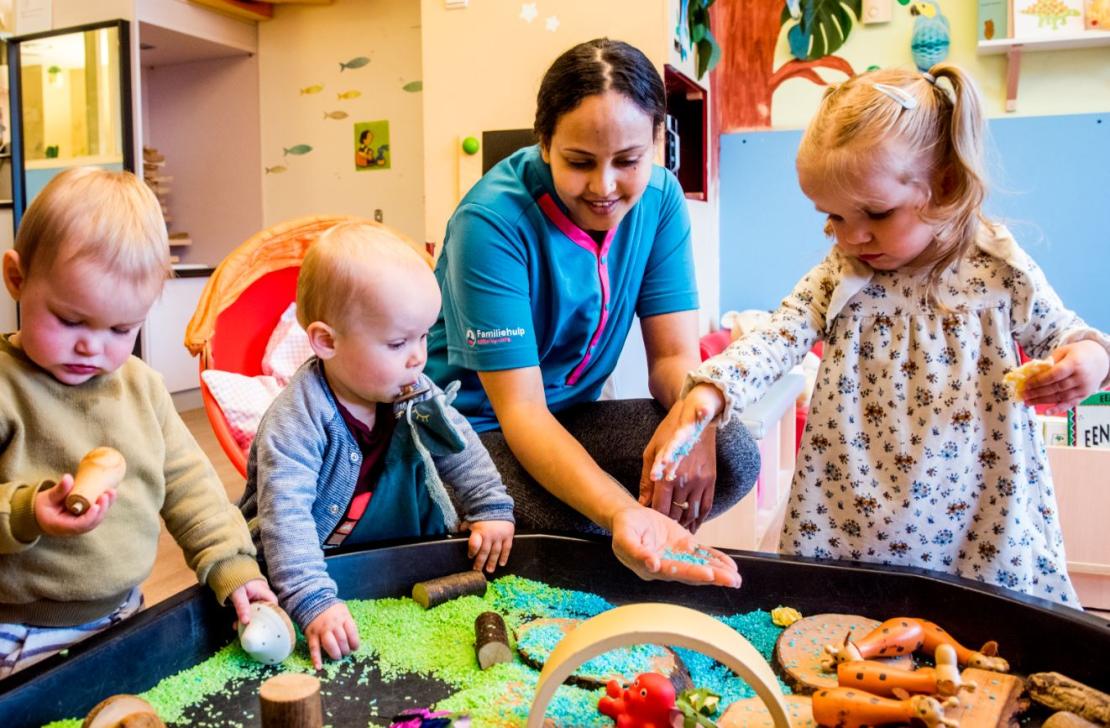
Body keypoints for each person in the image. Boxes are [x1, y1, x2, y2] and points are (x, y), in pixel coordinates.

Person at [650, 65, 1110, 606]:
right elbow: (777, 335)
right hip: (852, 521)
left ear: (946, 183)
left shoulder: (996, 266)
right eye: (833, 217)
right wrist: (711, 390)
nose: (852, 236)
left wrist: (1086, 361)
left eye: (875, 213)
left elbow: (1071, 335)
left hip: (977, 524)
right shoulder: (842, 273)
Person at [426, 38, 756, 588]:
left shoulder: (660, 199)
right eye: (580, 162)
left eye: (628, 161)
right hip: (479, 437)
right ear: (545, 144)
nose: (604, 188)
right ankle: (609, 549)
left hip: (569, 418)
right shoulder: (490, 222)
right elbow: (523, 414)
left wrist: (693, 421)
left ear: (654, 142)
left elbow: (673, 356)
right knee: (588, 523)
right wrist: (621, 510)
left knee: (733, 451)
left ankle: (611, 550)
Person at [0, 167, 276, 678]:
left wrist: (234, 566)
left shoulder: (142, 387)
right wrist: (27, 512)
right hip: (15, 633)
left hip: (122, 614)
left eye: (121, 328)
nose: (92, 345)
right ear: (17, 278)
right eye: (69, 319)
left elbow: (192, 489)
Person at [240, 222, 515, 669]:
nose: (418, 357)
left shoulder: (414, 389)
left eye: (424, 336)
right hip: (312, 562)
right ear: (326, 341)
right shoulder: (298, 418)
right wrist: (311, 598)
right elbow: (285, 517)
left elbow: (458, 445)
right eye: (397, 342)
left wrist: (489, 507)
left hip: (402, 553)